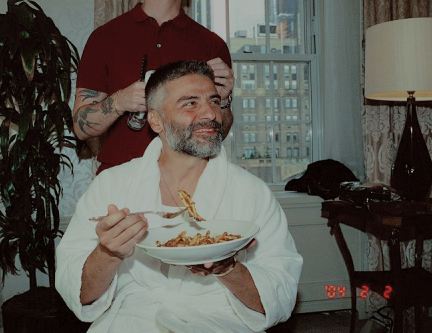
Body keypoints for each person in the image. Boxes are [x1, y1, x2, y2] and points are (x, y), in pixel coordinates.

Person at [56, 60, 303, 332]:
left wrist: (228, 269)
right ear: (155, 120)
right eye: (190, 103)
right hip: (131, 320)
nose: (210, 114)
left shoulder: (253, 193)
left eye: (214, 101)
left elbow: (280, 298)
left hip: (220, 321)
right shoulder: (111, 186)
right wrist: (108, 252)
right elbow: (79, 294)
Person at [72, 0, 234, 174]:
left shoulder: (212, 44)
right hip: (121, 179)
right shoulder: (104, 37)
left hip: (190, 180)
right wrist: (119, 102)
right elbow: (80, 129)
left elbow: (217, 135)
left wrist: (222, 101)